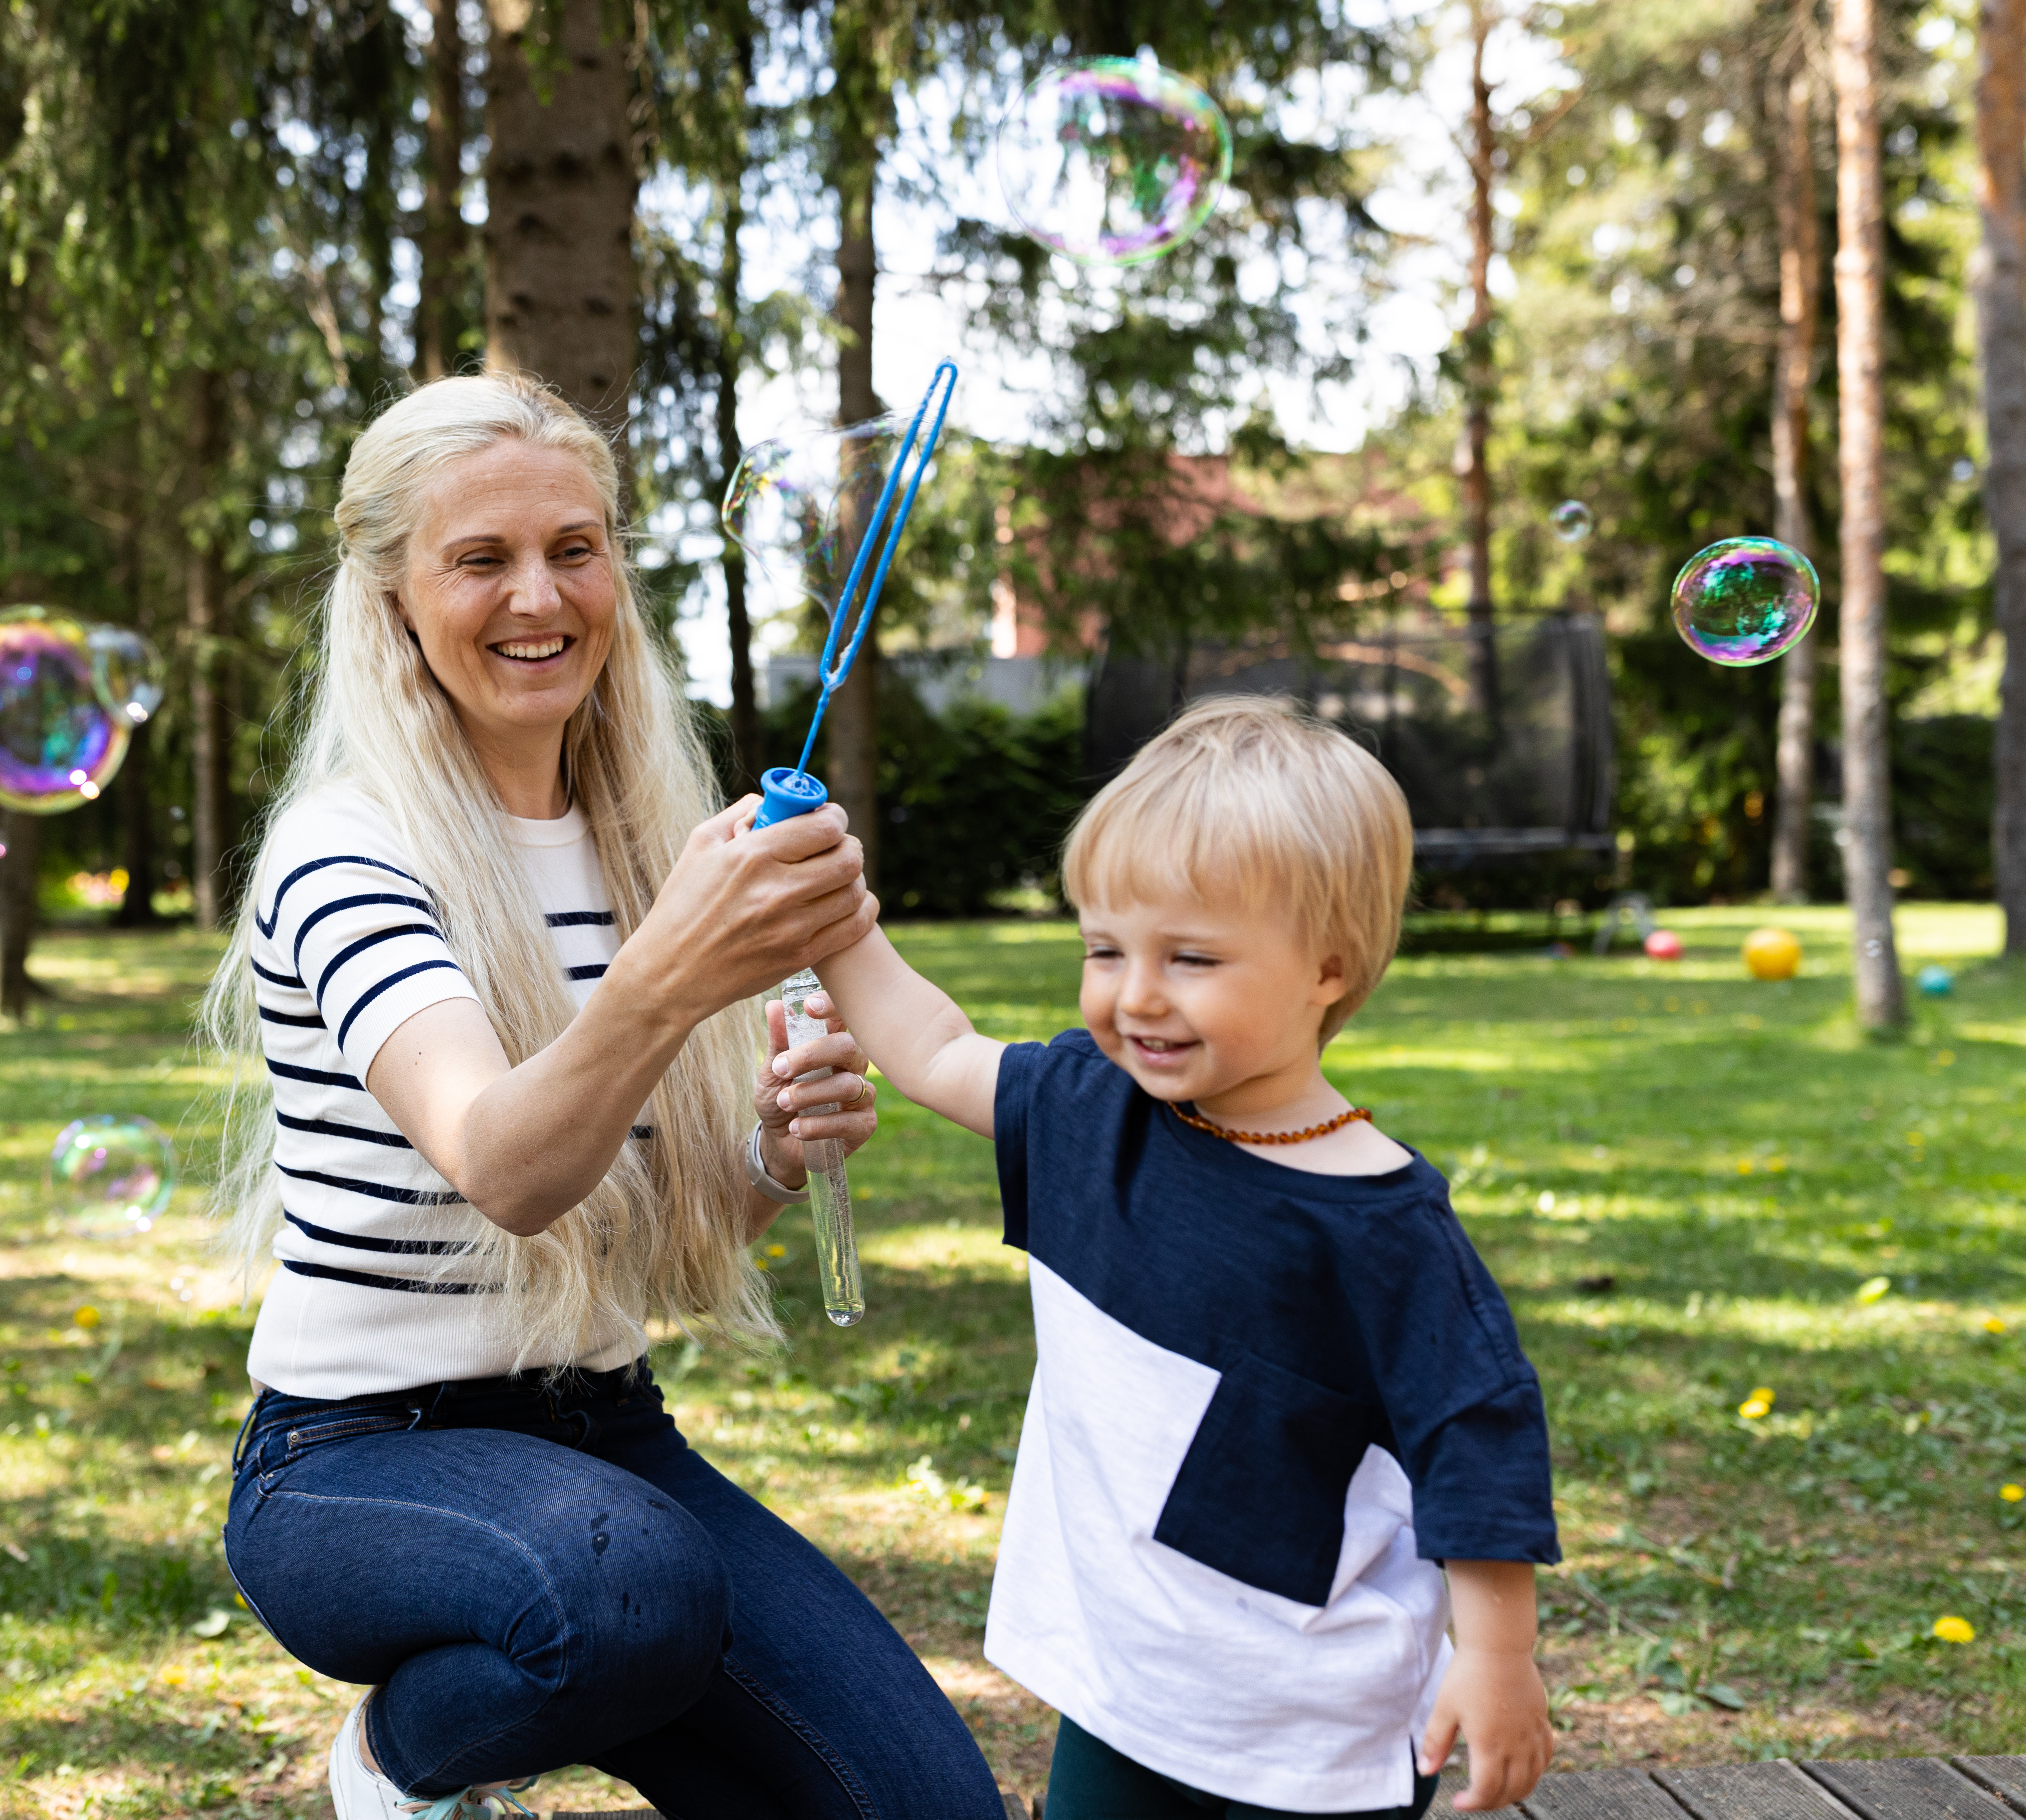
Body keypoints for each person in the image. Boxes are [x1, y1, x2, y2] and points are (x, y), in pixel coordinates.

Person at [200, 372, 1008, 1820]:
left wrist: (765, 1151)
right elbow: (505, 1164)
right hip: (362, 1462)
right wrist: (669, 974)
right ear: (392, 596)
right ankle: (398, 1767)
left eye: (576, 549)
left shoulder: (643, 839)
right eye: (483, 558)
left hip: (605, 1444)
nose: (541, 596)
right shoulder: (346, 853)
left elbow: (650, 1234)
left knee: (926, 1806)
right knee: (632, 1589)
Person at [811, 694, 1561, 1820]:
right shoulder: (1086, 1112)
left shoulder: (1382, 1225)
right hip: (1123, 1687)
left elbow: (1479, 1443)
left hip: (1310, 1729)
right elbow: (931, 1049)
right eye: (1104, 949)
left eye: (1192, 957)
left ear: (1328, 968)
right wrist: (835, 925)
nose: (1137, 995)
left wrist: (1498, 1660)